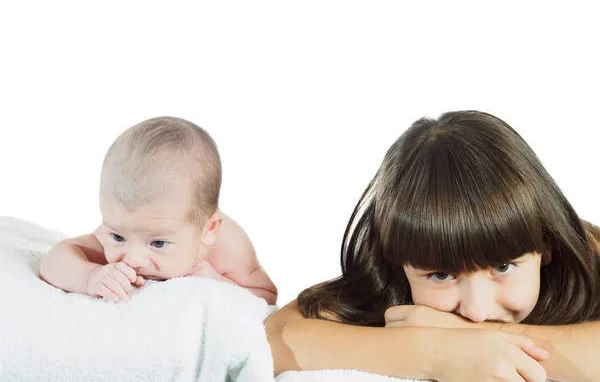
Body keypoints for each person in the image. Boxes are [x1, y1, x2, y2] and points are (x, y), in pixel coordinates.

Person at [266, 110, 600, 382]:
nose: (476, 310)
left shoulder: (590, 254)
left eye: (502, 267)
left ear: (546, 248)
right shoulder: (385, 288)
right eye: (441, 275)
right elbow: (274, 340)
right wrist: (435, 351)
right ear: (398, 265)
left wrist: (469, 335)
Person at [40, 116, 278, 305]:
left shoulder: (228, 248)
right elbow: (54, 260)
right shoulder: (128, 229)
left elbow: (267, 297)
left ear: (209, 229)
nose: (133, 259)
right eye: (118, 237)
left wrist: (220, 283)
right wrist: (90, 277)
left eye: (158, 243)